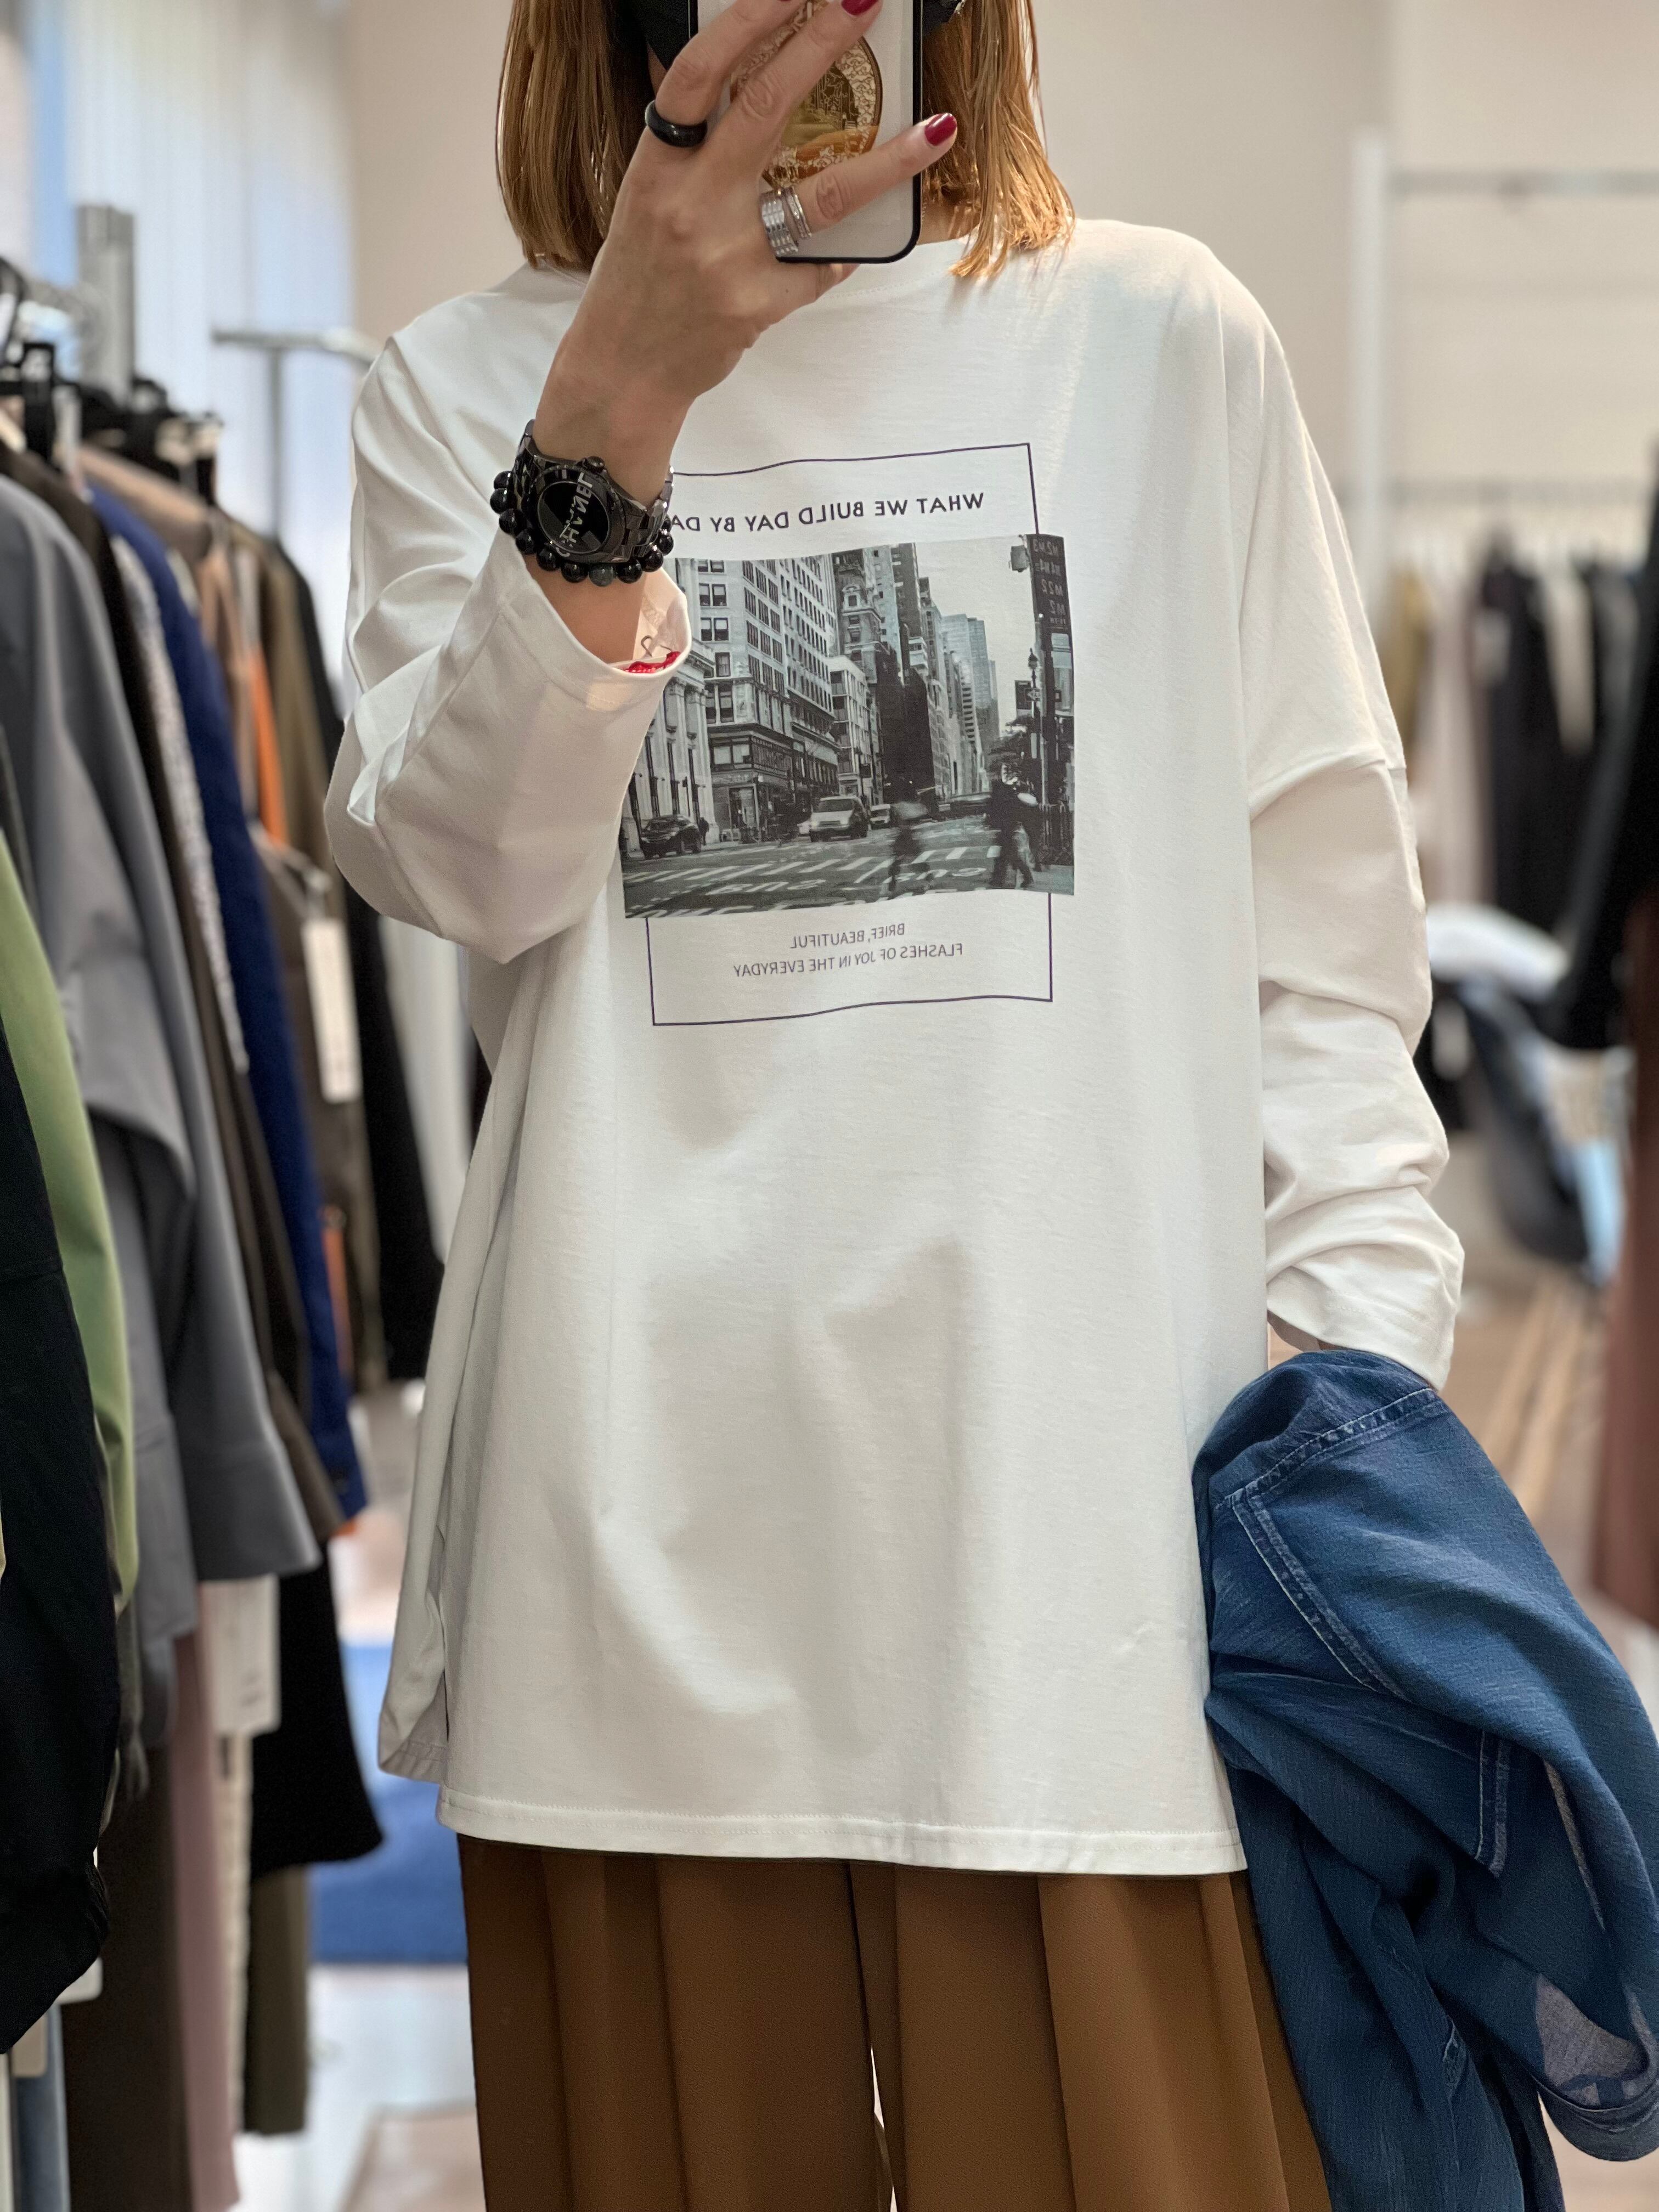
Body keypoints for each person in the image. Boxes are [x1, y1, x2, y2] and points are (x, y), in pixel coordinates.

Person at [325, 0, 1461, 2205]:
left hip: (1098, 1591)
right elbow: (469, 868)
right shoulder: (471, 391)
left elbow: (1327, 958)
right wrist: (618, 405)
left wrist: (1344, 1420)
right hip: (630, 1594)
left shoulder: (1160, 342)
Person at [986, 760, 1036, 888]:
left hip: (1007, 824)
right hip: (1007, 824)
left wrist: (993, 820)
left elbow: (1000, 805)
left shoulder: (1006, 788)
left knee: (1008, 853)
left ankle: (1000, 879)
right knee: (1008, 853)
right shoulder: (1005, 787)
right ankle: (1000, 878)